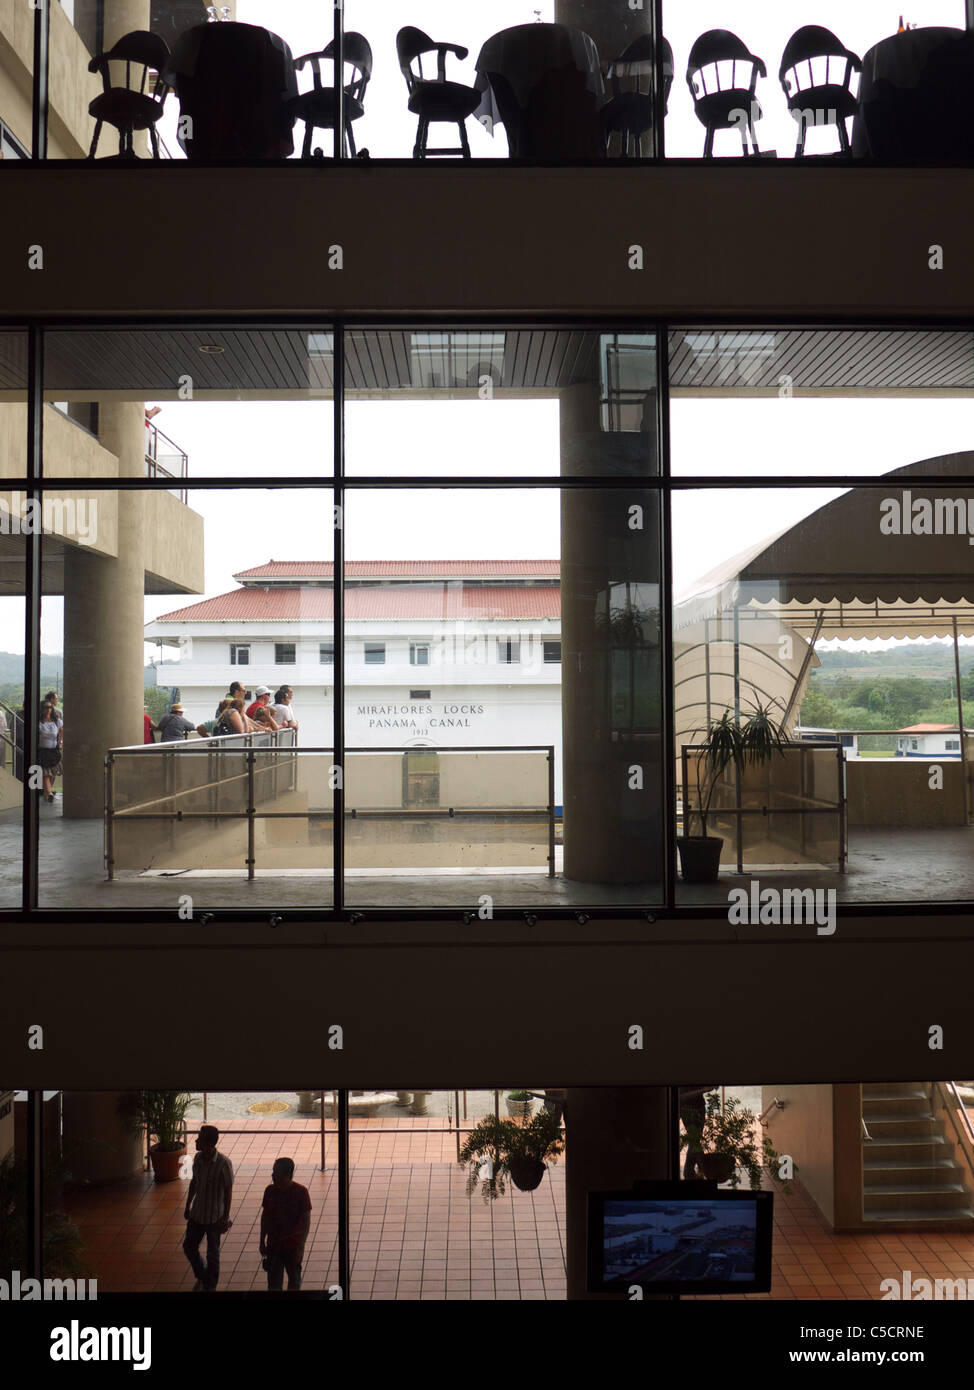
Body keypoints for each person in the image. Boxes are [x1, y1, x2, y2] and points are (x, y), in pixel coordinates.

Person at [183, 1125, 234, 1292]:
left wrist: (225, 1218)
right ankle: (204, 1276)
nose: (196, 1141)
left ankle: (210, 1284)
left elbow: (228, 1192)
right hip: (197, 1214)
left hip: (214, 1217)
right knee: (189, 1246)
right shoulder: (197, 1159)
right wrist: (188, 1205)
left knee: (213, 1254)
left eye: (200, 1138)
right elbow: (194, 1183)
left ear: (209, 1143)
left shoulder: (224, 1164)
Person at [259, 1157, 311, 1293]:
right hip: (274, 1245)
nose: (272, 1175)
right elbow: (265, 1218)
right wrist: (261, 1241)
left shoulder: (301, 1193)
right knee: (274, 1284)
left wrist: (300, 1247)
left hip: (292, 1246)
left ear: (287, 1175)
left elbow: (306, 1222)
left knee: (293, 1282)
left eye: (276, 1172)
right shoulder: (269, 1191)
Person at [38, 700, 62, 804]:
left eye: (50, 707)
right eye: (46, 707)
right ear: (41, 709)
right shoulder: (38, 722)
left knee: (52, 773)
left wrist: (60, 742)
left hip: (54, 751)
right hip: (43, 751)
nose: (48, 709)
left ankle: (47, 793)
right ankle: (49, 793)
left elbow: (61, 730)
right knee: (46, 773)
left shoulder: (56, 721)